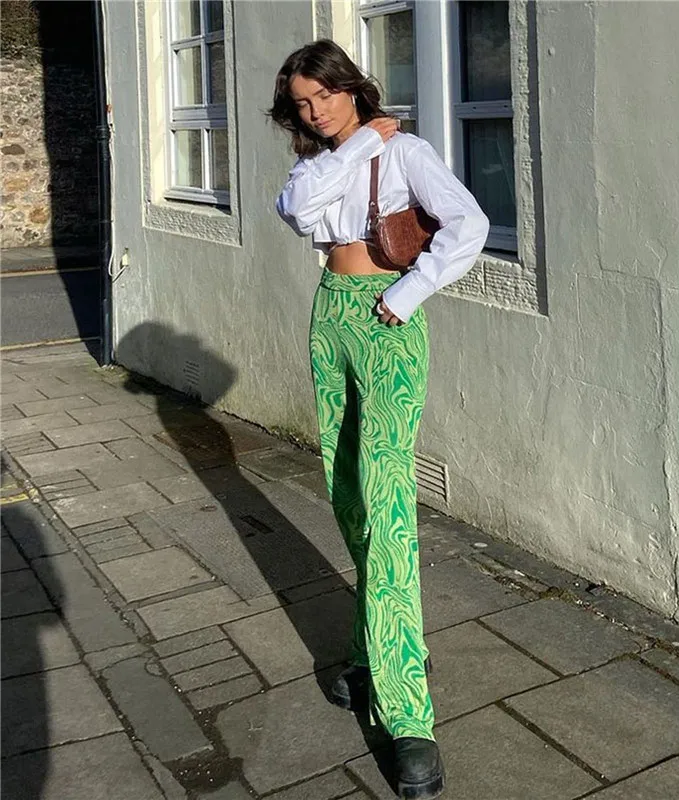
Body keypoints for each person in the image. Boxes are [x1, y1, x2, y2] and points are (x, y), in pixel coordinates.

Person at [270, 39, 489, 800]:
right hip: (330, 316)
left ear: (350, 86)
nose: (315, 111)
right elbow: (297, 210)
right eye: (302, 103)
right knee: (347, 494)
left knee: (388, 504)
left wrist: (408, 292)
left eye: (324, 95)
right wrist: (360, 142)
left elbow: (468, 223)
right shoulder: (331, 159)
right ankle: (379, 647)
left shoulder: (409, 153)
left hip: (387, 319)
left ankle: (408, 717)